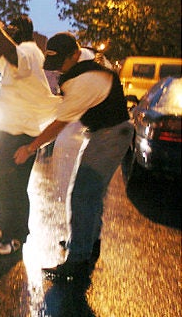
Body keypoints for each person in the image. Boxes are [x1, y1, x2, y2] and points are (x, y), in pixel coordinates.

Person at [13, 32, 133, 277]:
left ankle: (77, 261)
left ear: (75, 55)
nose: (57, 71)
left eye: (61, 64)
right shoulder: (87, 63)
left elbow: (60, 123)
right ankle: (88, 245)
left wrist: (29, 148)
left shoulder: (83, 81)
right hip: (106, 132)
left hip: (110, 135)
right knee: (90, 194)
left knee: (82, 195)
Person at [0, 12, 60, 255]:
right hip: (4, 130)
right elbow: (2, 55)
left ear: (23, 31)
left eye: (12, 27)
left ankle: (16, 236)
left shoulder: (29, 51)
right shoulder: (17, 52)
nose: (8, 31)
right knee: (0, 183)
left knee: (15, 187)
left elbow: (12, 54)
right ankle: (0, 227)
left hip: (22, 134)